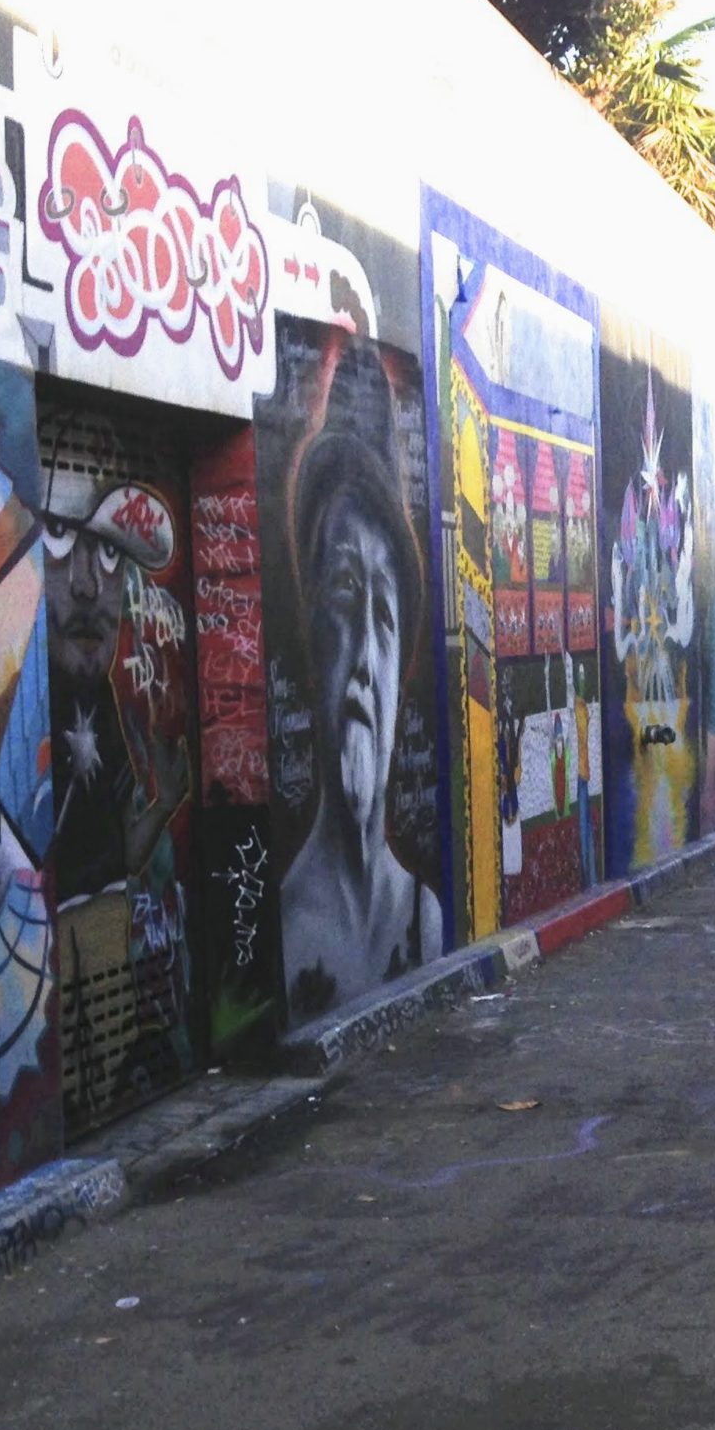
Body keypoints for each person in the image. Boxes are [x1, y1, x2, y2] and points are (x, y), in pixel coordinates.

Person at [278, 359, 444, 1019]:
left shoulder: (424, 917)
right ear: (313, 633)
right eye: (345, 592)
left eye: (385, 617)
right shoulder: (288, 931)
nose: (366, 667)